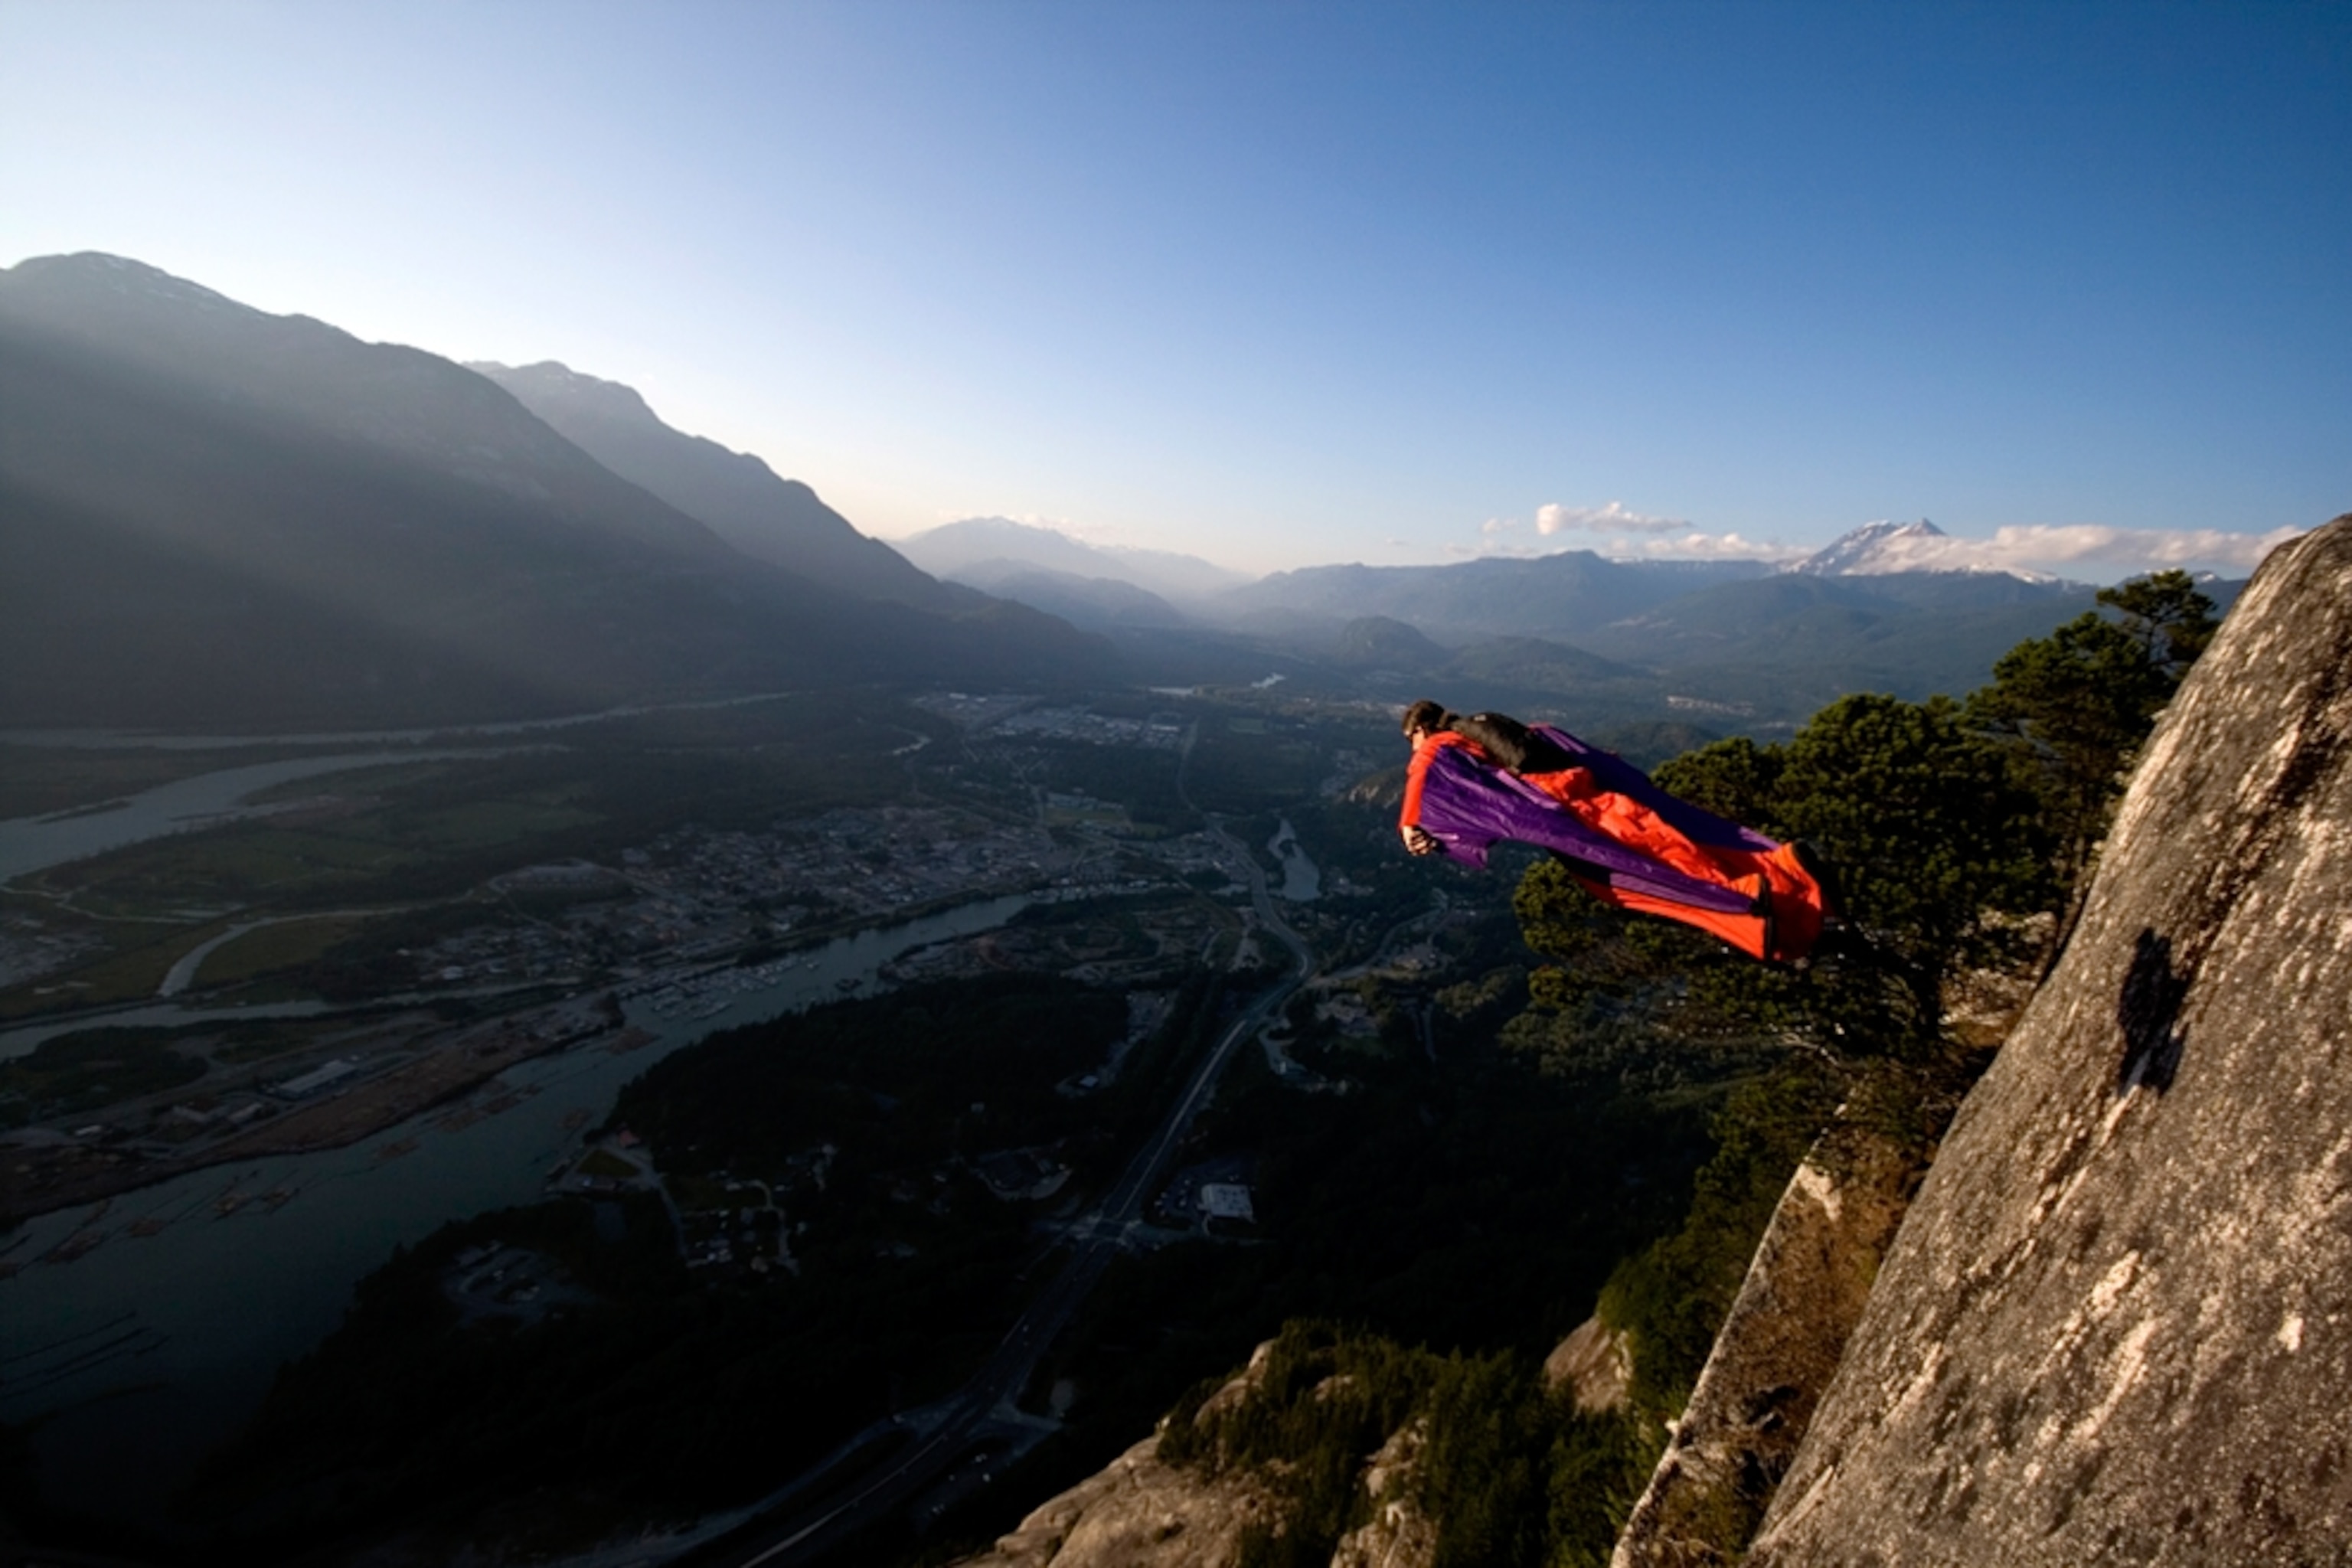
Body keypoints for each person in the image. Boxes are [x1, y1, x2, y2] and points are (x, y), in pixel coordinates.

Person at [1396, 700, 1830, 964]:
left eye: (1411, 740)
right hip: (1594, 792)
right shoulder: (1492, 729)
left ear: (1419, 729)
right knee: (1675, 843)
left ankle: (1747, 905)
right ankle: (1781, 867)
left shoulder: (1437, 745)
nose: (1414, 749)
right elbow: (1558, 742)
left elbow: (1422, 778)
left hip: (1571, 818)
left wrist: (1411, 827)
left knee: (1643, 877)